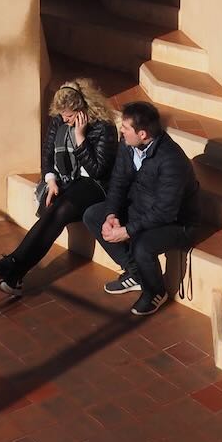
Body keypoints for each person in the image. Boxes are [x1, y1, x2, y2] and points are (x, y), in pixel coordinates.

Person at [0, 80, 117, 297]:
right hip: (68, 180)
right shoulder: (59, 120)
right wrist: (50, 180)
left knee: (62, 208)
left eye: (68, 115)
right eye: (62, 115)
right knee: (55, 209)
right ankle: (14, 272)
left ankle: (13, 265)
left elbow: (97, 171)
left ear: (83, 110)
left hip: (96, 185)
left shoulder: (105, 127)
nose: (64, 120)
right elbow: (48, 153)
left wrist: (80, 138)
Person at [82, 99, 200, 318]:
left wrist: (126, 230)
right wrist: (111, 214)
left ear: (143, 134)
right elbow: (118, 182)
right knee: (93, 215)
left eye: (126, 128)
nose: (122, 131)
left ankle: (155, 290)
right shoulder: (129, 146)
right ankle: (136, 273)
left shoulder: (171, 160)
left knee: (142, 244)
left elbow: (166, 211)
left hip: (176, 223)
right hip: (142, 208)